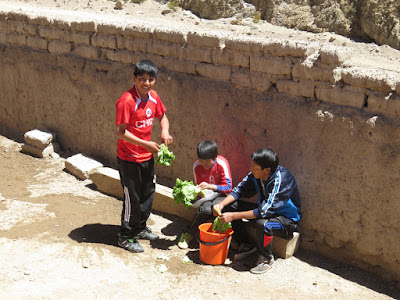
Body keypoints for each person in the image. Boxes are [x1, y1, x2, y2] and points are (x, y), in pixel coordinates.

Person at [115, 59, 173, 253]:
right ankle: (125, 236)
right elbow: (120, 132)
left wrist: (164, 132)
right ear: (134, 79)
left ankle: (140, 228)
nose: (146, 83)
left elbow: (163, 117)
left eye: (150, 79)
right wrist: (146, 144)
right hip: (129, 158)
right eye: (142, 79)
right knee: (133, 198)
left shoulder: (154, 97)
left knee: (148, 194)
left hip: (146, 157)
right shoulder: (127, 101)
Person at [213, 148, 301, 274]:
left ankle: (266, 258)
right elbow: (239, 190)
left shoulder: (281, 180)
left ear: (266, 170)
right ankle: (246, 245)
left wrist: (233, 216)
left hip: (286, 221)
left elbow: (264, 211)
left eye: (254, 165)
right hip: (265, 212)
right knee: (230, 205)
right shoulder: (256, 175)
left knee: (264, 224)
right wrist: (221, 205)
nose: (251, 168)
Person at [177, 140, 232, 249]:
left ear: (215, 158)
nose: (205, 164)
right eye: (202, 161)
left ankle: (219, 237)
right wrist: (195, 193)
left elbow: (228, 188)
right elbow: (199, 186)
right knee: (205, 209)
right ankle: (188, 233)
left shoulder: (221, 164)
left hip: (221, 194)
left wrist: (212, 186)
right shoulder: (197, 166)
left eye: (208, 161)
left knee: (215, 208)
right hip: (207, 195)